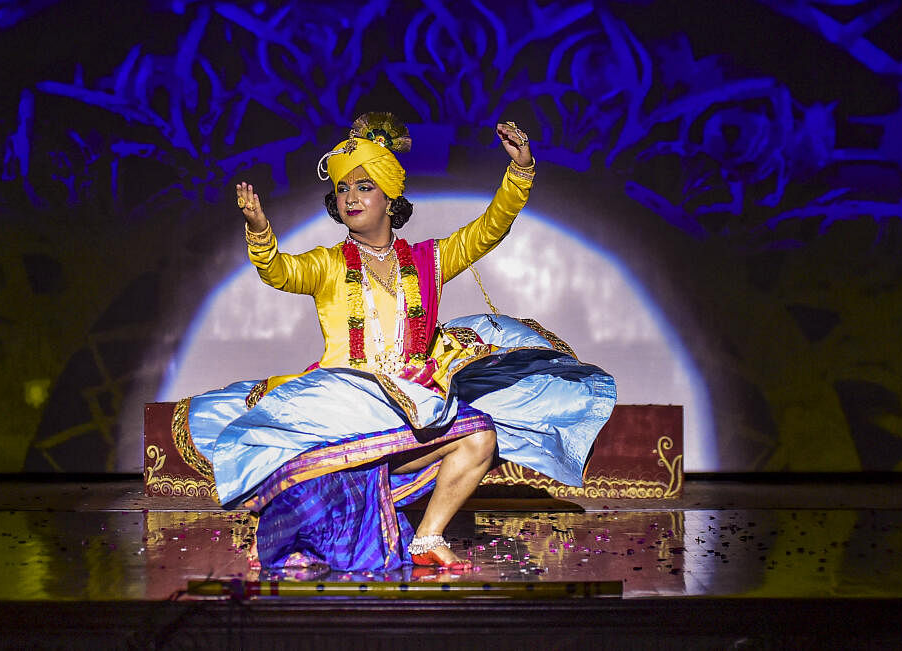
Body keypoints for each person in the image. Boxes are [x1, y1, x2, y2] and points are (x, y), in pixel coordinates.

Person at [183, 113, 616, 571]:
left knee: (480, 438)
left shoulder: (431, 259)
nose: (351, 197)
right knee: (324, 472)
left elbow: (490, 228)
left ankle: (427, 538)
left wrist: (520, 172)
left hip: (414, 405)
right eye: (343, 189)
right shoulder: (328, 264)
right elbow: (280, 272)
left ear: (391, 197)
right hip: (343, 405)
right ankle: (283, 530)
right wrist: (258, 231)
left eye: (364, 186)